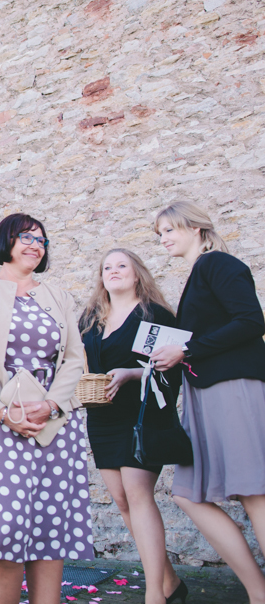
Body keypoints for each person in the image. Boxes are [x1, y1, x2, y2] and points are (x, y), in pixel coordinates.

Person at [0, 213, 93, 604]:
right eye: (26, 237)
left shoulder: (58, 296)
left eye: (42, 240)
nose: (35, 244)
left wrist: (51, 404)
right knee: (4, 527)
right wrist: (3, 412)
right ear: (6, 241)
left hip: (54, 421)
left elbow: (73, 357)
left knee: (50, 524)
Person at [151, 201, 265, 604]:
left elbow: (252, 321)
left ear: (196, 228)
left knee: (255, 491)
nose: (163, 239)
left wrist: (189, 350)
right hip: (203, 396)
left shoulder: (218, 264)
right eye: (159, 233)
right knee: (187, 491)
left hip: (233, 387)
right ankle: (258, 592)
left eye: (170, 230)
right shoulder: (200, 272)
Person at [79, 249, 185, 604]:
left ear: (137, 273)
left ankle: (155, 594)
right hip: (102, 416)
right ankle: (169, 581)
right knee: (123, 500)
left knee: (139, 497)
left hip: (141, 415)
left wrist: (131, 374)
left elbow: (173, 370)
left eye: (121, 265)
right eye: (106, 266)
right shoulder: (92, 317)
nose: (113, 271)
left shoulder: (154, 315)